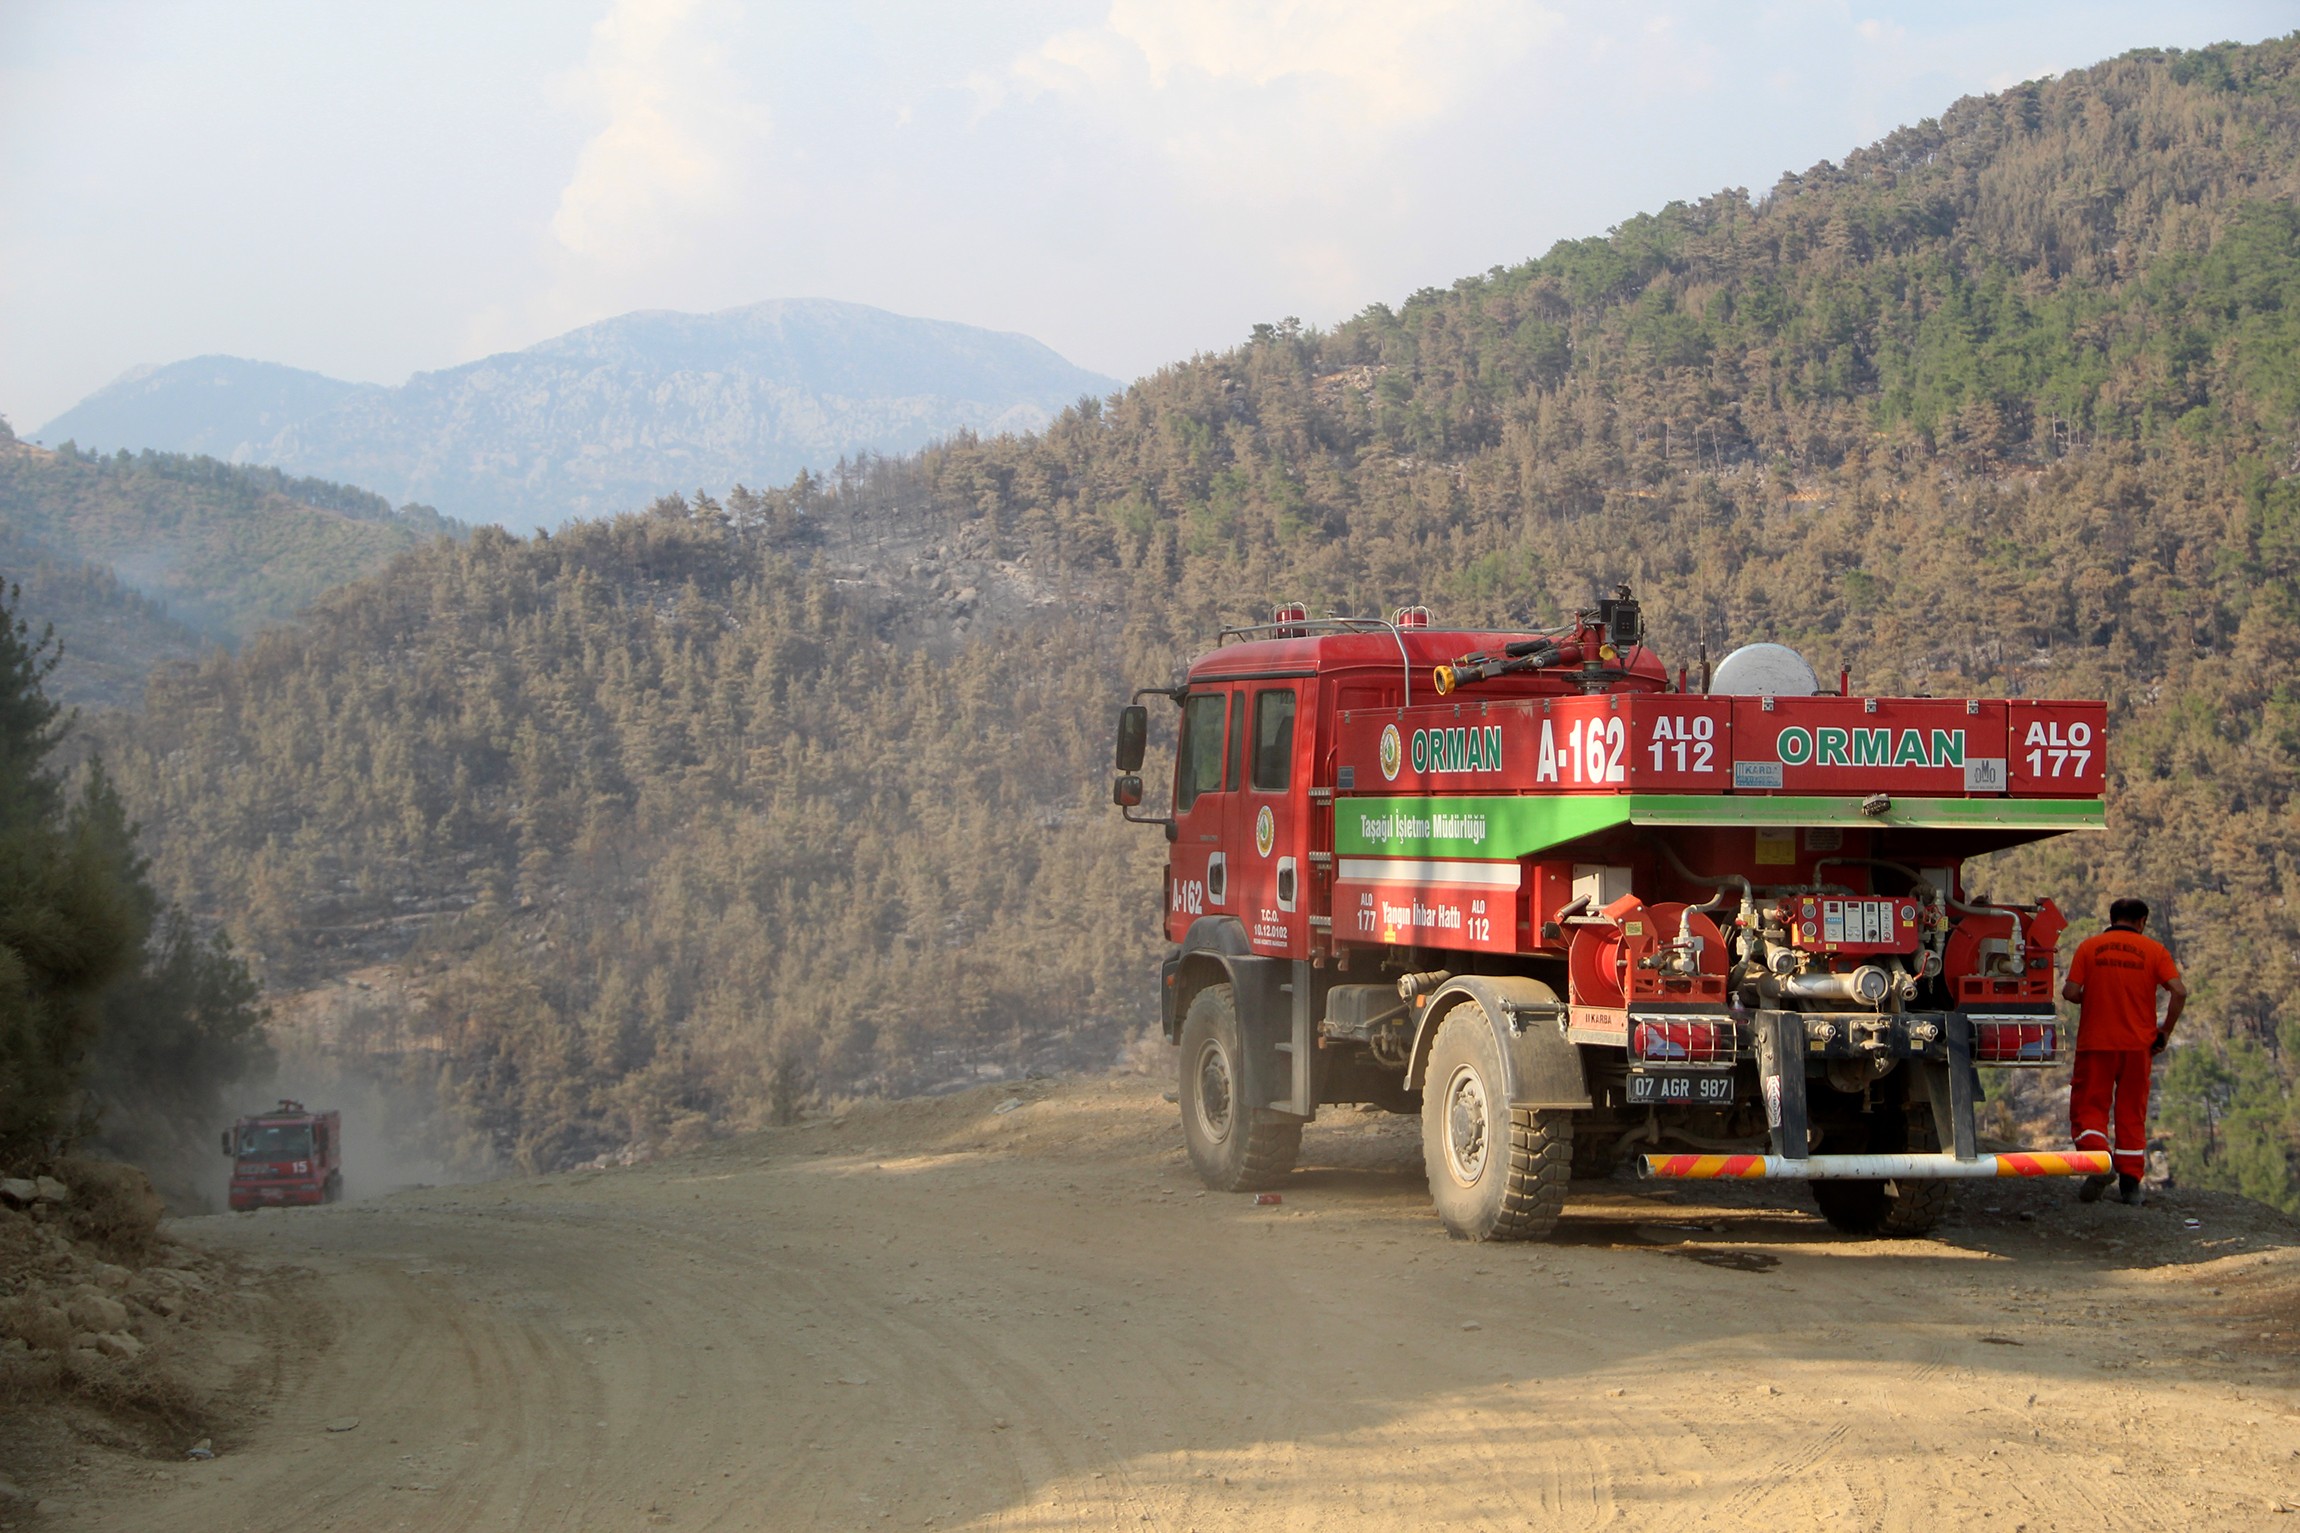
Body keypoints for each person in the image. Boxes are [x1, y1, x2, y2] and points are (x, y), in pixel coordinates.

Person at [2060, 897, 2185, 1206]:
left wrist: (2094, 997)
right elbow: (2179, 991)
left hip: (2096, 1043)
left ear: (2112, 917)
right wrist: (2164, 1030)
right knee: (2131, 1113)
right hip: (2138, 1047)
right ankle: (2131, 1185)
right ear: (2141, 921)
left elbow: (2070, 992)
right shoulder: (2155, 951)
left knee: (2088, 1108)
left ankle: (2099, 1163)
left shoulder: (2090, 947)